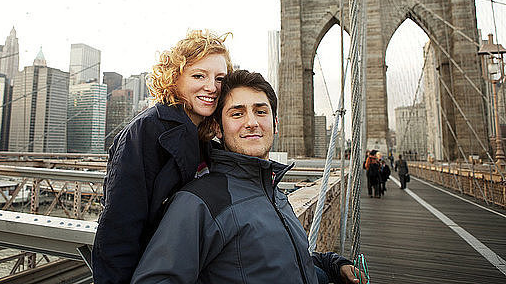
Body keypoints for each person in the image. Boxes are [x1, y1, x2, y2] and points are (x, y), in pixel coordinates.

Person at [131, 70, 368, 284]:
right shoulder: (198, 202)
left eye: (261, 111)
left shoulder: (274, 193)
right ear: (218, 129)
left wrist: (332, 266)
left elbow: (280, 261)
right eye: (237, 113)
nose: (252, 122)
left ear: (275, 124)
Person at [92, 30, 233, 284]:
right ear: (174, 78)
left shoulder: (206, 138)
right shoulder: (146, 132)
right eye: (199, 75)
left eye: (220, 78)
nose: (212, 87)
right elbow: (118, 230)